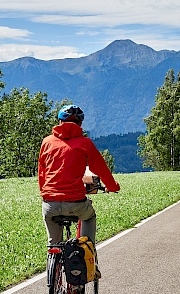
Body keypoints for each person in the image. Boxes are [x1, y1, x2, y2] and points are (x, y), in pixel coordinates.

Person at [38, 104, 120, 278]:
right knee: (89, 216)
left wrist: (46, 194)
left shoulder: (46, 142)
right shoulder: (84, 143)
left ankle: (54, 276)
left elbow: (42, 173)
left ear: (59, 122)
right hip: (76, 202)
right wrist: (113, 186)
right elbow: (101, 169)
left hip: (50, 203)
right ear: (80, 124)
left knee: (54, 244)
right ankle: (89, 258)